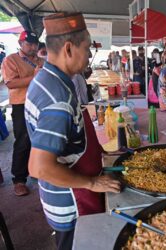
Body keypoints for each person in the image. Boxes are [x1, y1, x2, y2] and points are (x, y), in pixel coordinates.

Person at [24, 13, 121, 249]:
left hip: (62, 196)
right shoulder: (58, 99)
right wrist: (91, 183)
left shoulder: (46, 78)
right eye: (87, 49)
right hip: (72, 203)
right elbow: (39, 167)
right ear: (68, 48)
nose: (90, 56)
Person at [1, 30, 44, 196]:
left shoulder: (41, 60)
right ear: (20, 44)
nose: (33, 47)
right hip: (21, 105)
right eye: (29, 44)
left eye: (35, 44)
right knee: (23, 140)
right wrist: (34, 77)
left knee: (40, 138)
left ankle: (37, 170)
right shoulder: (11, 59)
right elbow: (10, 83)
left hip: (40, 104)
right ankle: (19, 180)